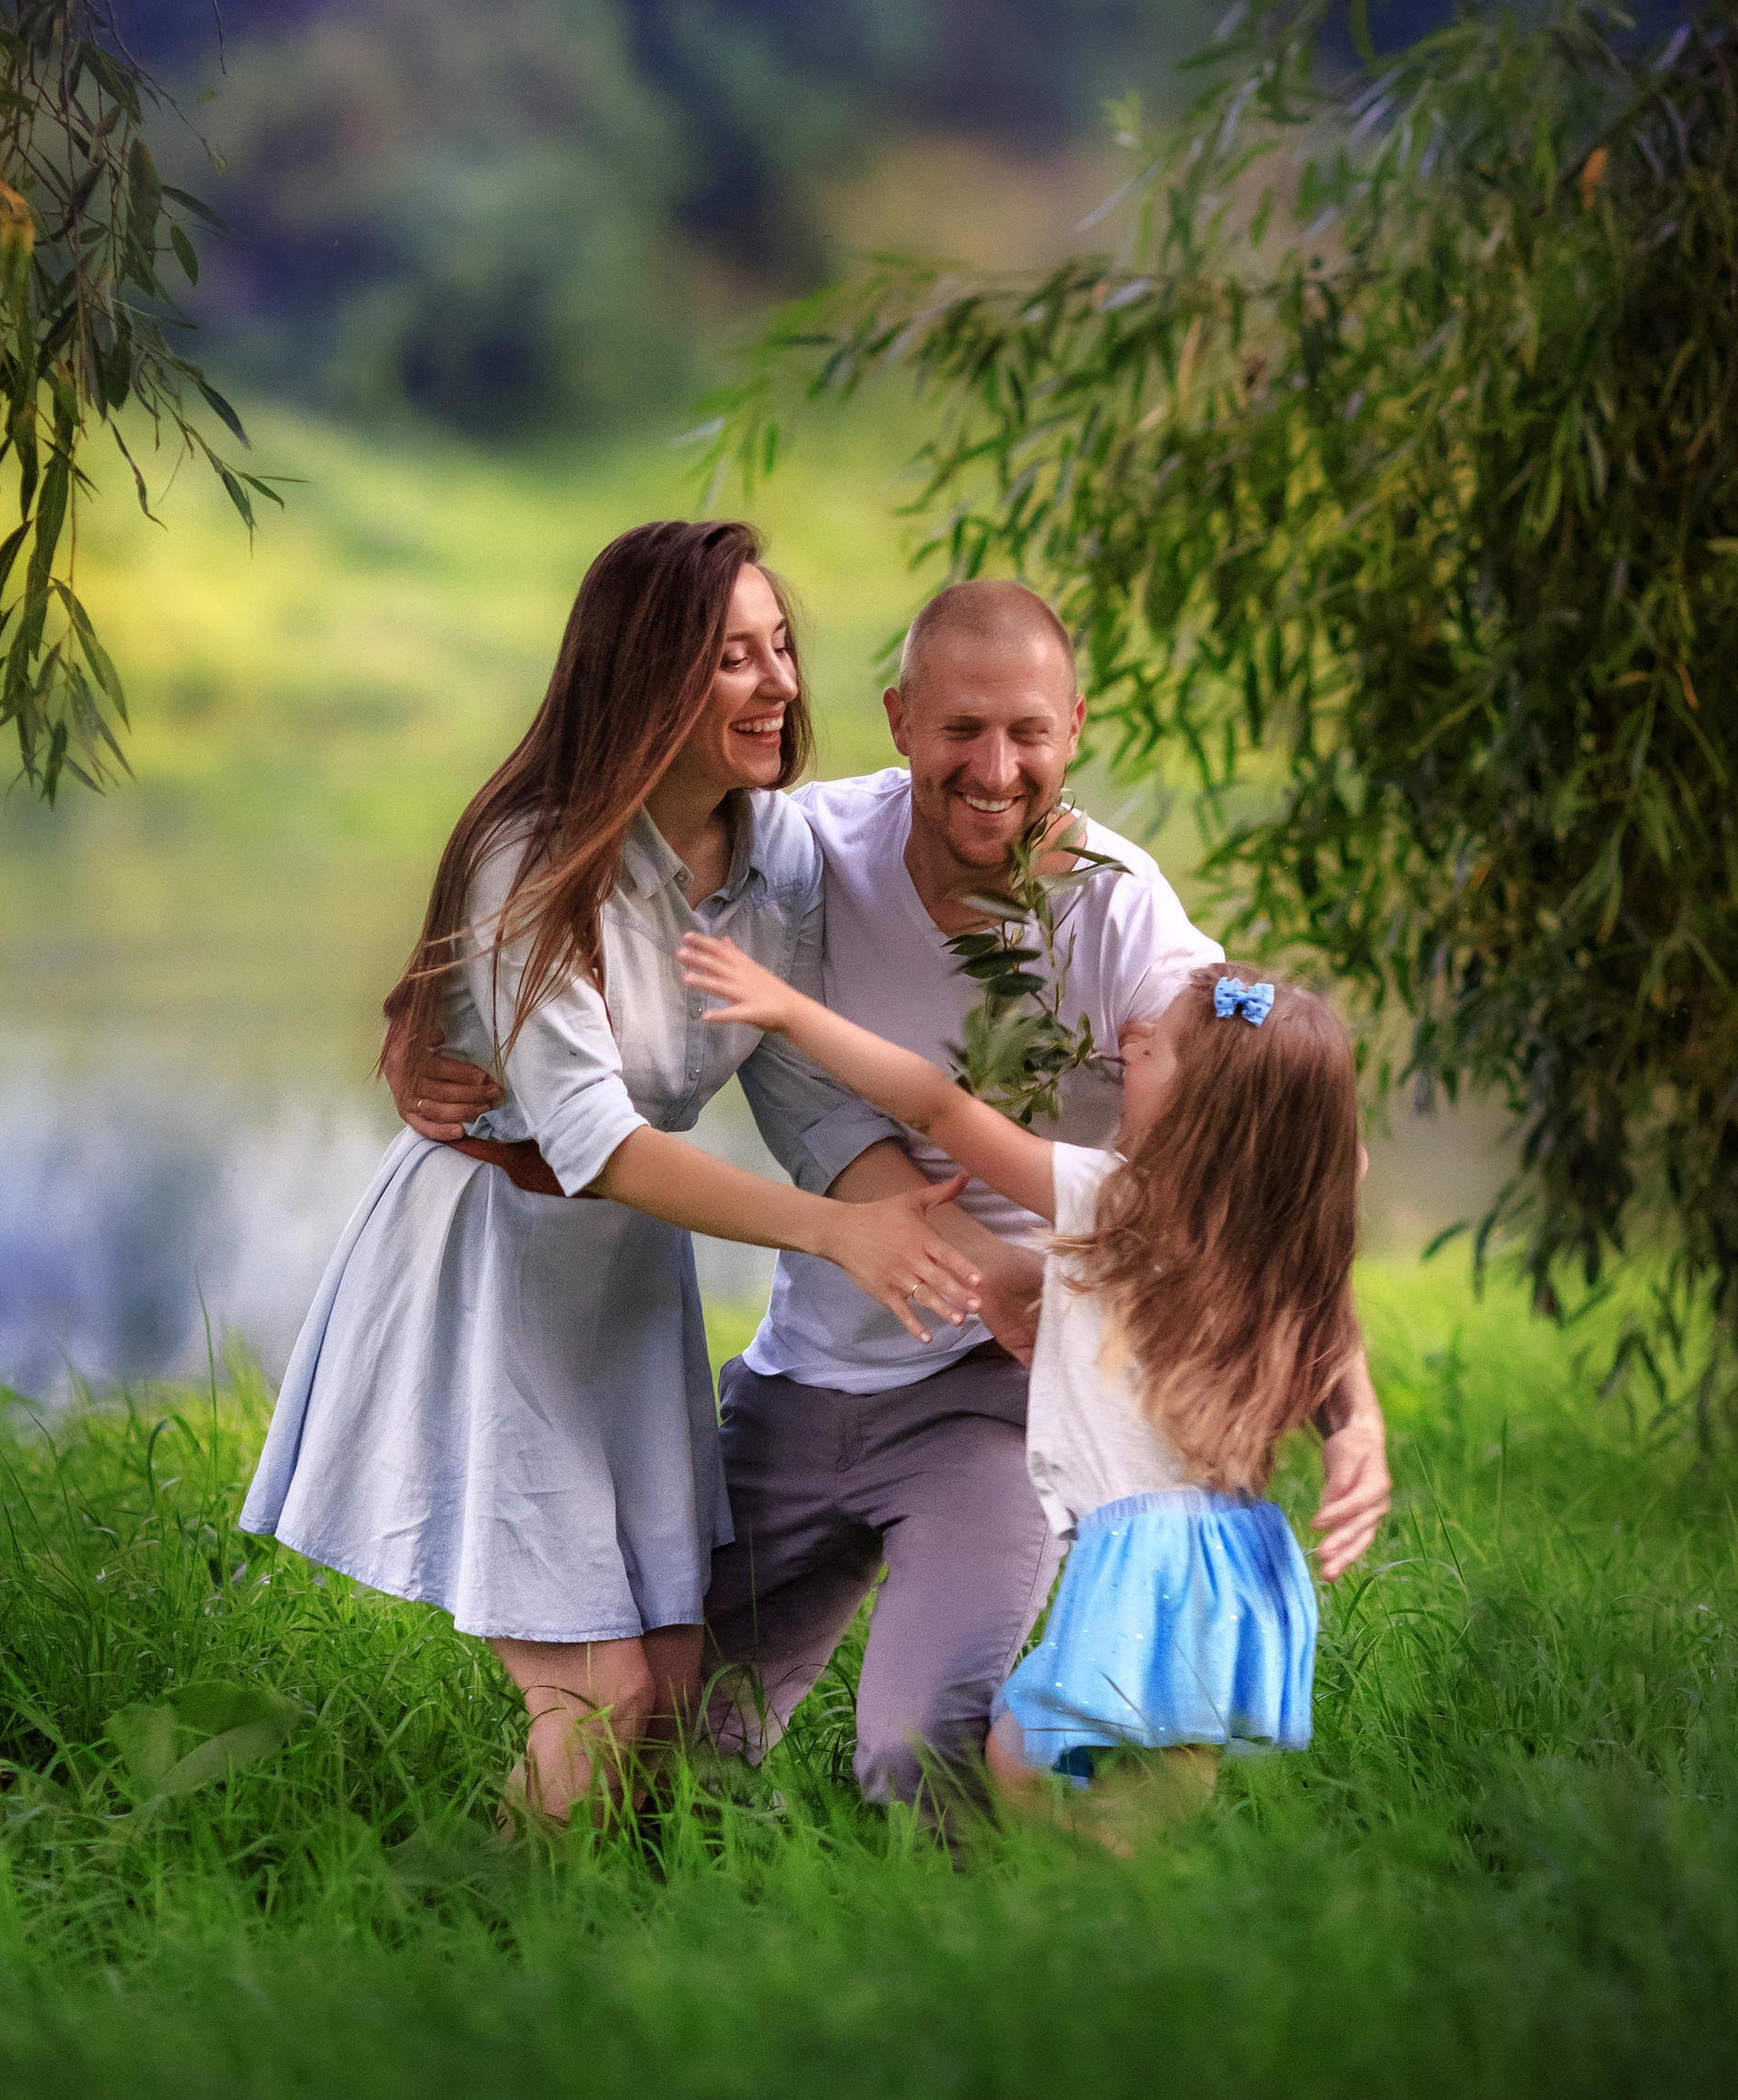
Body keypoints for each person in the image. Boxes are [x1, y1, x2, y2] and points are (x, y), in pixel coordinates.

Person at [396, 576, 1393, 1821]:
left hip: (993, 1396)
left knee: (920, 1752)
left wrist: (1351, 1413)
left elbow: (1290, 1165)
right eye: (962, 730)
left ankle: (1009, 1966)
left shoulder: (1115, 911)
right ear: (901, 719)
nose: (996, 767)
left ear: (1074, 727)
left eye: (1028, 732)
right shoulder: (803, 853)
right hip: (807, 1373)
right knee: (656, 1747)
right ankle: (500, 1917)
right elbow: (605, 891)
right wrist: (448, 1048)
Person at [239, 521, 982, 1824]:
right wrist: (831, 1236)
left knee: (678, 1699)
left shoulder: (778, 854)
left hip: (626, 1282)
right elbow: (596, 1143)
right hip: (494, 1263)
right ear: (648, 676)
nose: (779, 686)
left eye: (782, 649)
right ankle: (452, 1947)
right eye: (732, 660)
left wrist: (948, 1255)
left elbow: (804, 1097)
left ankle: (611, 1956)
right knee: (599, 1705)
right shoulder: (533, 855)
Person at [676, 931, 1361, 1846]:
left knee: (1042, 1755)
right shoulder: (1269, 1230)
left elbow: (935, 1108)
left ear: (1203, 1107)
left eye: (1157, 1049)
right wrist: (1356, 1432)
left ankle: (1103, 1888)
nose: (1134, 1038)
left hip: (1149, 1553)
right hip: (1218, 1550)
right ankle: (1122, 1890)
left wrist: (792, 1009)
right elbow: (1336, 1170)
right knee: (1120, 1753)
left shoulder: (1111, 1198)